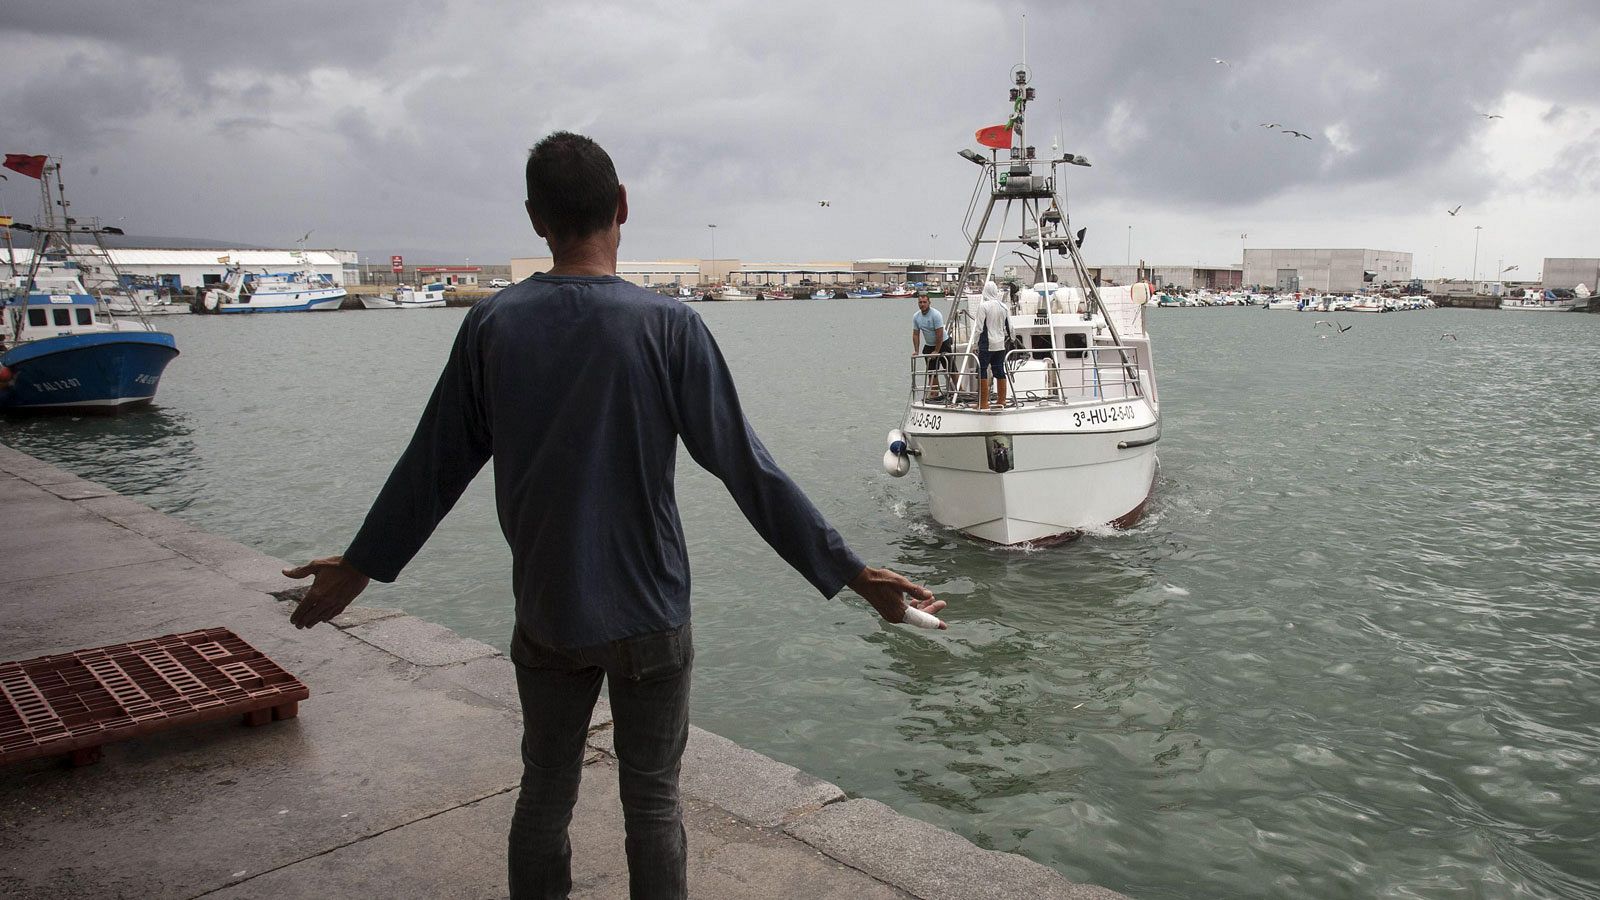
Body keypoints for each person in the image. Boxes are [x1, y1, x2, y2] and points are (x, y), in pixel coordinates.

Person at [281, 132, 944, 900]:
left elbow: (433, 466)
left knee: (544, 793)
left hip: (549, 612)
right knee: (653, 805)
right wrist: (852, 575)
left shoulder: (492, 328)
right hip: (651, 615)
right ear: (622, 205)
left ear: (537, 220)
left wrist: (359, 566)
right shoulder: (669, 328)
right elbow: (747, 469)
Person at [975, 280, 1011, 410]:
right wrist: (1012, 339)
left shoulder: (983, 306)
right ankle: (1002, 400)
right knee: (999, 370)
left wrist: (975, 344)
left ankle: (983, 403)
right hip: (1000, 344)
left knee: (981, 370)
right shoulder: (1004, 306)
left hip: (986, 344)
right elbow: (1010, 327)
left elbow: (979, 327)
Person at [910, 294, 948, 400]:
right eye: (920, 302)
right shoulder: (916, 317)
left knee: (950, 368)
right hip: (929, 345)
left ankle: (960, 390)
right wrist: (916, 351)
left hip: (943, 342)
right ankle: (934, 392)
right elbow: (916, 334)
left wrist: (937, 350)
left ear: (929, 303)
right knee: (931, 370)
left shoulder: (936, 315)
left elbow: (939, 334)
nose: (922, 304)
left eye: (924, 302)